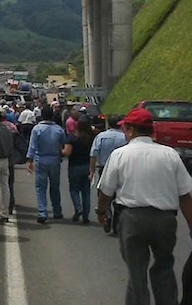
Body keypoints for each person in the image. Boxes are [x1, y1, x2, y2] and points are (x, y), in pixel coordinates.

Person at [96, 108, 192, 305]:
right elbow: (185, 197)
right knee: (164, 268)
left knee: (136, 273)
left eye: (125, 129)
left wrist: (102, 212)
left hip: (132, 220)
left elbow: (105, 191)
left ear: (130, 130)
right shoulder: (170, 155)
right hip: (165, 220)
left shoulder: (120, 155)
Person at [26, 105, 66, 224]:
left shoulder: (37, 129)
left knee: (40, 187)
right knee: (55, 187)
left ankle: (42, 212)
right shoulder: (59, 129)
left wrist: (30, 160)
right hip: (55, 160)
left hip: (41, 159)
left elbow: (32, 146)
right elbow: (63, 144)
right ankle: (57, 210)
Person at [89, 114, 126, 233]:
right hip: (122, 169)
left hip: (104, 168)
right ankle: (116, 221)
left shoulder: (101, 136)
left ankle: (107, 214)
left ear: (108, 124)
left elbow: (93, 153)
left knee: (105, 193)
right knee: (119, 196)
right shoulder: (124, 137)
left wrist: (91, 170)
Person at [61, 116, 95, 224]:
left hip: (75, 166)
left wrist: (60, 150)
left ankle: (78, 207)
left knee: (74, 189)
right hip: (87, 165)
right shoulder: (92, 137)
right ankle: (86, 216)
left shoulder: (73, 137)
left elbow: (67, 152)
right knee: (86, 192)